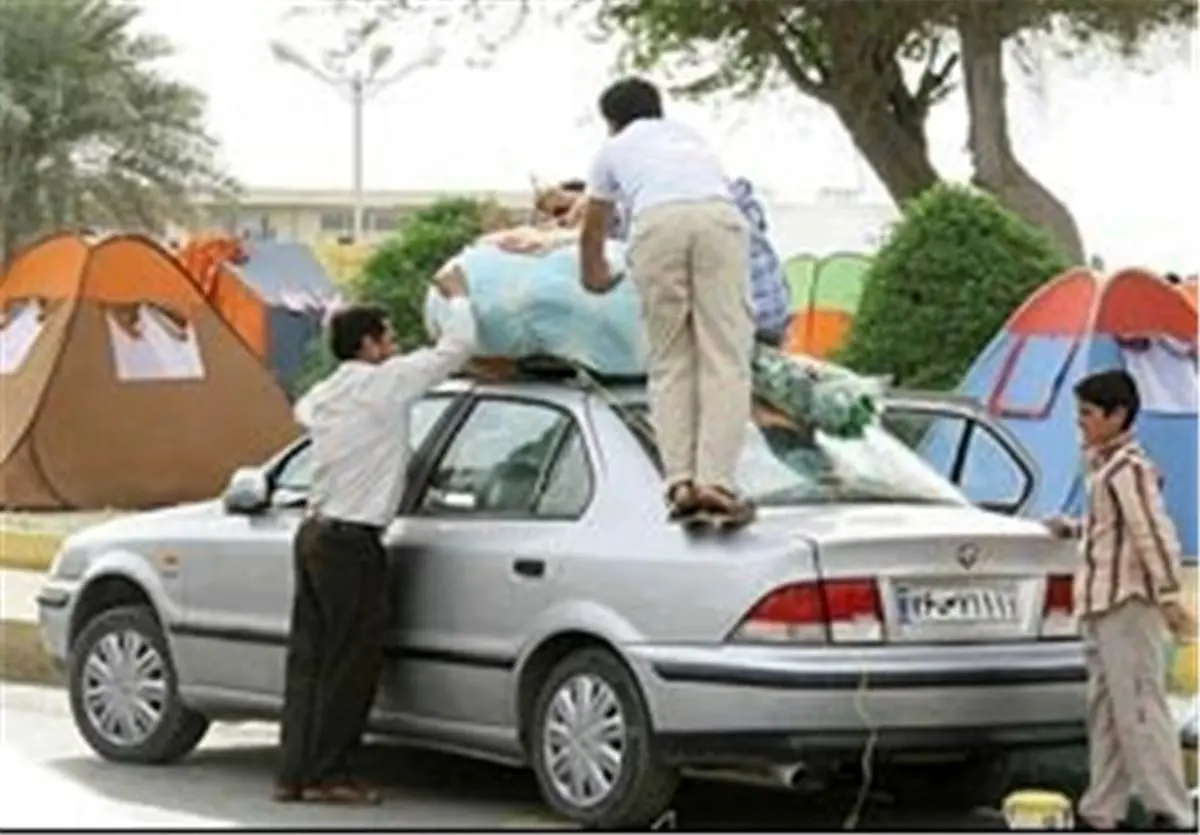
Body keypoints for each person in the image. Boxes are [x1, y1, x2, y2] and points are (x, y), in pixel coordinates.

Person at [274, 267, 477, 804]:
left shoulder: (326, 392)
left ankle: (295, 773)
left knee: (310, 662)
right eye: (390, 336)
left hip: (315, 534)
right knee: (350, 664)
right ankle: (331, 775)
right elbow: (457, 348)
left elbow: (304, 411)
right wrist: (457, 297)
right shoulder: (384, 383)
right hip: (352, 544)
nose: (397, 345)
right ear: (368, 345)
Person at [576, 76, 755, 527]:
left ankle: (679, 483)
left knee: (671, 358)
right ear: (657, 109)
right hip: (718, 219)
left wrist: (593, 273)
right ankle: (716, 481)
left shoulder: (612, 150)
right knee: (724, 356)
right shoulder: (690, 138)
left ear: (612, 122)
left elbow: (593, 224)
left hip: (656, 224)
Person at [1044, 369, 1196, 831]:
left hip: (1127, 604)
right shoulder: (1104, 467)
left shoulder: (1130, 468)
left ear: (1118, 415)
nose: (1081, 423)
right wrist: (1071, 528)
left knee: (1141, 709)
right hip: (1100, 604)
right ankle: (1102, 808)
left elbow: (1153, 533)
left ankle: (1171, 809)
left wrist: (1169, 594)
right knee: (1107, 711)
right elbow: (1110, 529)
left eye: (1088, 414)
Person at [535, 177, 791, 347]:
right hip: (765, 315)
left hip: (743, 321)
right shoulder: (715, 195)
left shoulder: (633, 218)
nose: (564, 219)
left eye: (562, 210)